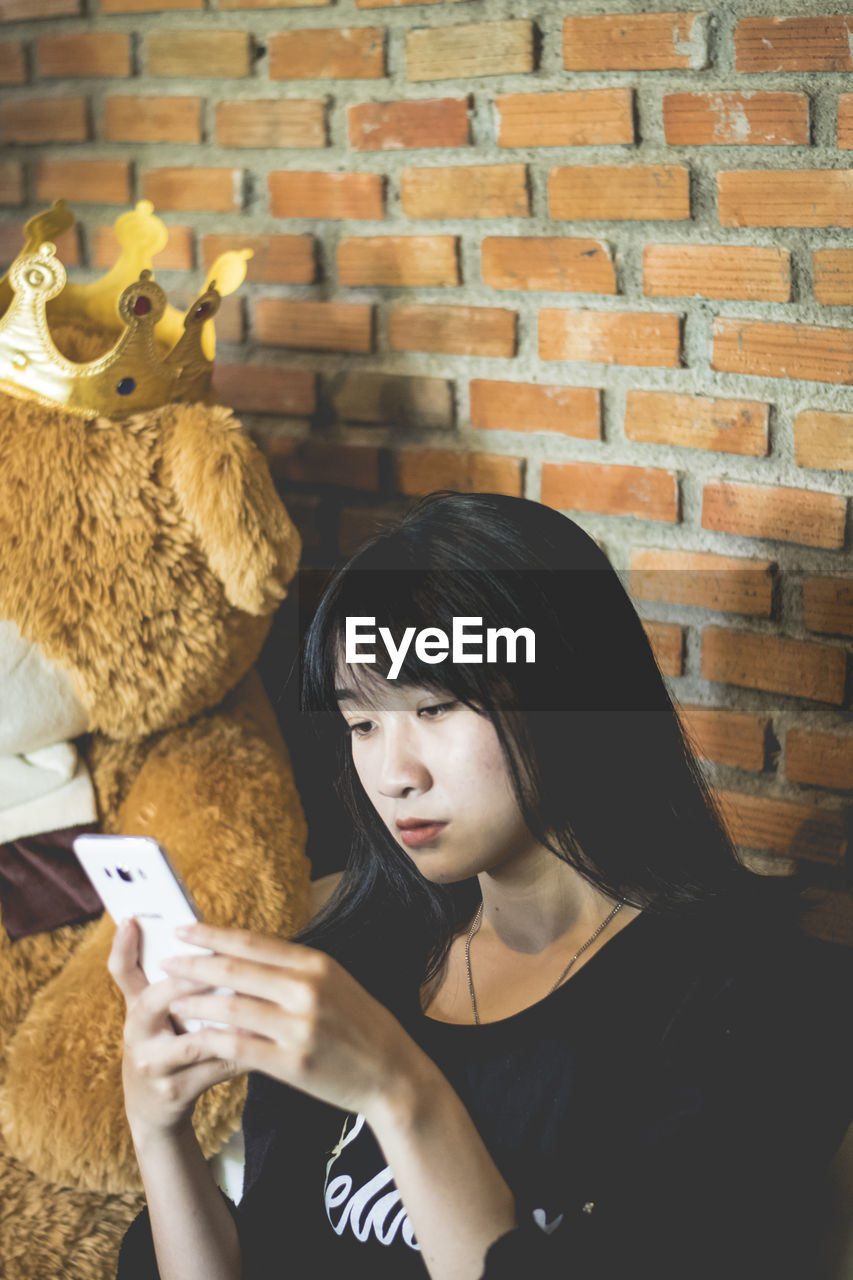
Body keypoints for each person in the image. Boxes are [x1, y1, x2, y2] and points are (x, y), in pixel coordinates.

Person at [114, 491, 852, 1280]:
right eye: (362, 725)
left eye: (435, 707)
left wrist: (400, 1093)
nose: (394, 776)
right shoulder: (355, 962)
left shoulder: (755, 999)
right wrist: (158, 1130)